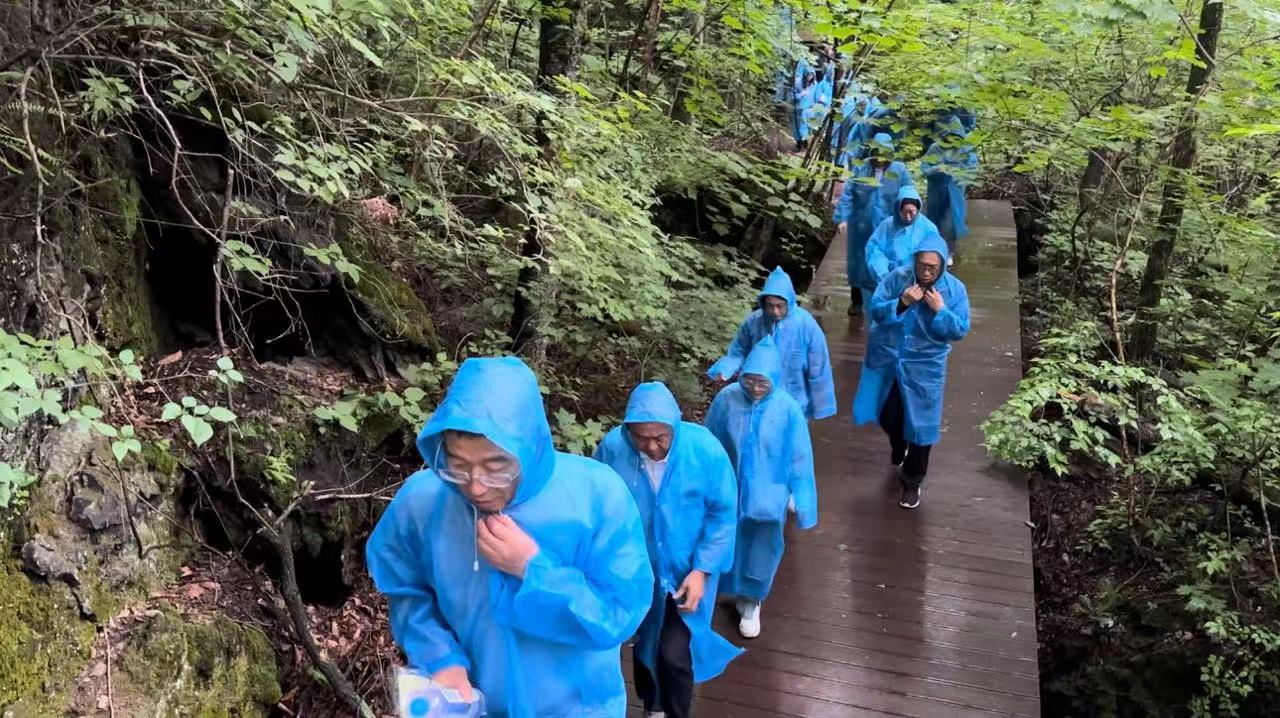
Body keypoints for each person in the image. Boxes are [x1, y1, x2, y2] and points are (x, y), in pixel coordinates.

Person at [366, 357, 654, 717]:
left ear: (529, 449)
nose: (475, 487)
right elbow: (407, 591)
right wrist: (441, 659)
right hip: (473, 705)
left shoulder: (596, 495)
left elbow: (619, 614)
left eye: (495, 468)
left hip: (578, 708)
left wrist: (533, 569)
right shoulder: (423, 502)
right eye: (458, 466)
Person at [593, 382, 741, 718]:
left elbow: (722, 512)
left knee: (675, 654)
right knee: (644, 644)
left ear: (674, 426)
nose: (651, 446)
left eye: (660, 437)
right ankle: (653, 705)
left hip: (686, 572)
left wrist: (703, 569)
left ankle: (676, 712)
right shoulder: (614, 448)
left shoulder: (704, 450)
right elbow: (599, 504)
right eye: (640, 437)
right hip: (636, 570)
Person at [705, 336, 817, 639]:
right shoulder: (727, 399)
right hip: (727, 487)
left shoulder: (787, 408)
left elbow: (799, 455)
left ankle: (751, 600)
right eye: (750, 380)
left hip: (768, 493)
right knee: (719, 537)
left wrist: (800, 496)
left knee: (761, 547)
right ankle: (709, 589)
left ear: (774, 379)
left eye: (763, 382)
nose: (755, 388)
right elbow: (709, 440)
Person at [852, 235, 970, 509]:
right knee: (888, 416)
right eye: (922, 265)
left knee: (922, 426)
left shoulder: (954, 290)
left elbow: (959, 330)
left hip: (927, 366)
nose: (926, 272)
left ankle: (912, 481)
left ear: (942, 266)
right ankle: (898, 443)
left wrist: (941, 310)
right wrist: (901, 302)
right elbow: (876, 310)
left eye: (933, 267)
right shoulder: (897, 279)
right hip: (891, 359)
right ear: (915, 261)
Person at [707, 266, 837, 421]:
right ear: (763, 303)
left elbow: (819, 366)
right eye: (770, 306)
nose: (775, 311)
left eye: (780, 306)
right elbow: (738, 350)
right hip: (756, 393)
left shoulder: (806, 325)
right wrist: (726, 368)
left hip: (794, 397)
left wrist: (822, 404)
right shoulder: (754, 321)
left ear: (789, 302)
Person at [832, 133, 913, 314]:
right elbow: (848, 194)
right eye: (878, 153)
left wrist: (909, 215)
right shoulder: (861, 168)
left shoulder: (899, 170)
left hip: (890, 226)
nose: (880, 159)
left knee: (889, 261)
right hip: (862, 226)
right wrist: (842, 218)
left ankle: (887, 299)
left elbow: (908, 193)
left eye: (884, 154)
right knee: (858, 263)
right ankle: (857, 301)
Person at [921, 117, 978, 264]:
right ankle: (934, 249)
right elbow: (925, 169)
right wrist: (938, 169)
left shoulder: (966, 150)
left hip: (955, 192)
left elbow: (972, 170)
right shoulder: (935, 148)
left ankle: (948, 251)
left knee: (951, 221)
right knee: (935, 220)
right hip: (936, 191)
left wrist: (957, 172)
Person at [865, 185, 943, 292]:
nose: (908, 217)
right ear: (898, 209)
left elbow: (937, 257)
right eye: (904, 212)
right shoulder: (887, 226)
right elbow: (875, 251)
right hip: (892, 282)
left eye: (911, 212)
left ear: (918, 209)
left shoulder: (929, 228)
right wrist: (884, 276)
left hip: (920, 284)